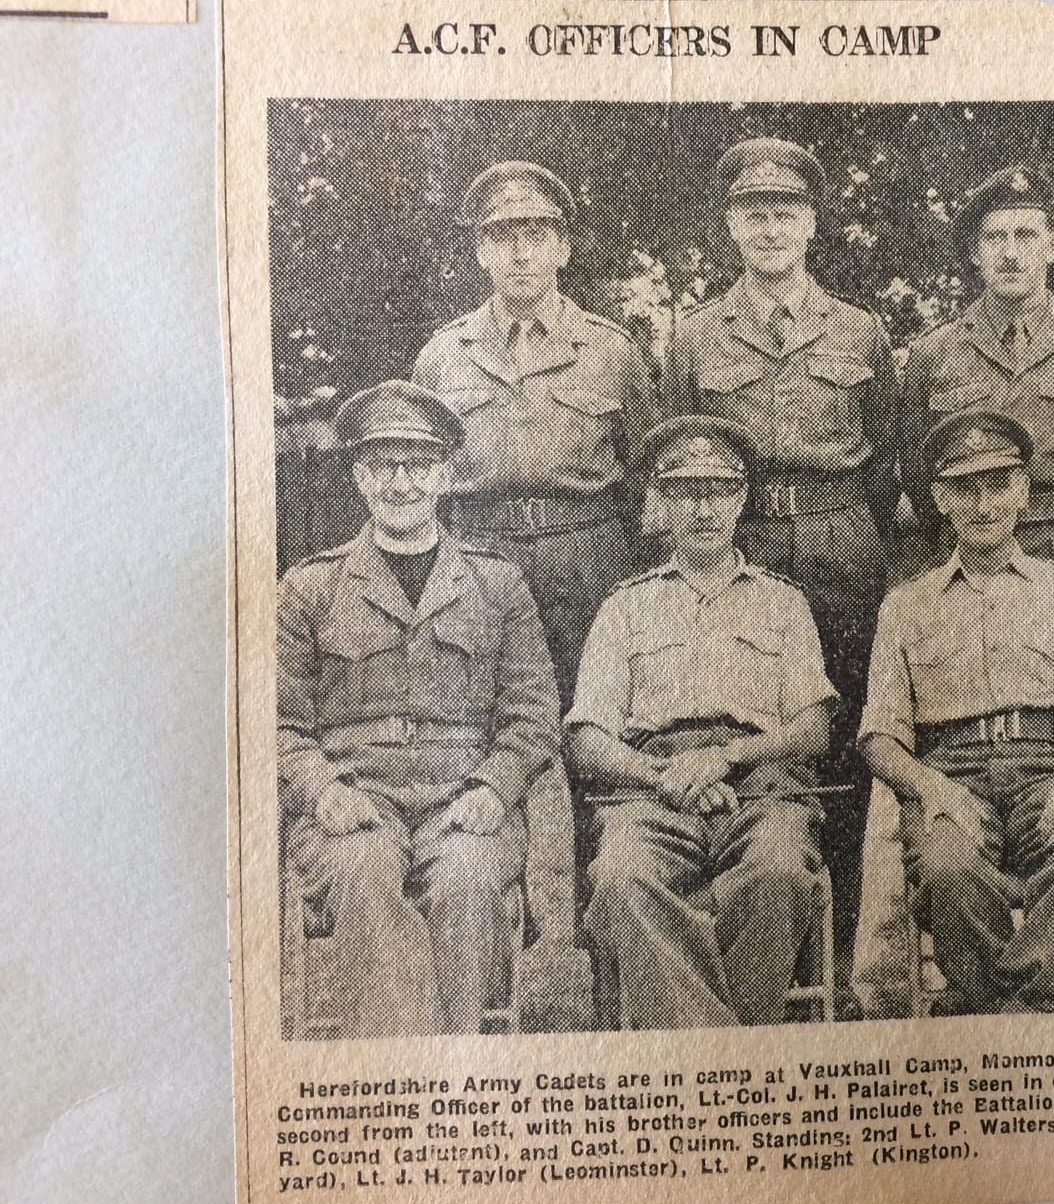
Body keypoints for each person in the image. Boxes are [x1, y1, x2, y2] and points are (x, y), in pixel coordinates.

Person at [662, 137, 899, 1011]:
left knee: (839, 741)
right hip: (744, 536)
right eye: (753, 212)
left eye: (786, 211)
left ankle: (830, 951)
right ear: (731, 226)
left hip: (841, 544)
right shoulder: (693, 338)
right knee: (744, 719)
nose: (770, 227)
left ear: (811, 223)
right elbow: (684, 455)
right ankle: (740, 934)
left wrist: (845, 529)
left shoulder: (860, 330)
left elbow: (887, 464)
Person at [277, 381, 559, 1037]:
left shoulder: (497, 584)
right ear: (358, 476)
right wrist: (322, 791)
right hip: (355, 797)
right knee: (362, 872)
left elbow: (533, 713)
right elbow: (278, 722)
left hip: (463, 796)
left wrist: (496, 787)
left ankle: (449, 1063)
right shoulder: (310, 588)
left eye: (418, 464)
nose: (400, 482)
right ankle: (411, 1066)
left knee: (467, 879)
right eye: (382, 465)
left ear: (445, 474)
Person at [860, 408, 1054, 1015]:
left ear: (1024, 489)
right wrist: (930, 786)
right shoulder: (906, 604)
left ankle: (1042, 1009)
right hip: (952, 770)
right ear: (938, 498)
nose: (983, 504)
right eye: (963, 488)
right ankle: (983, 1009)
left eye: (998, 484)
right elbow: (879, 736)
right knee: (942, 860)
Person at [567, 415, 837, 1029]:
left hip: (761, 786)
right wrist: (663, 775)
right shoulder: (624, 607)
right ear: (657, 501)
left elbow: (815, 727)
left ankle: (691, 1035)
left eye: (717, 489)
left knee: (777, 867)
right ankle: (726, 1043)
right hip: (649, 790)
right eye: (683, 491)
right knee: (617, 876)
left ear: (741, 498)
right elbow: (586, 738)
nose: (702, 508)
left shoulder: (783, 601)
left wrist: (725, 760)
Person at [412, 161, 659, 708]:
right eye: (502, 237)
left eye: (536, 235)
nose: (520, 254)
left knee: (597, 710)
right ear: (480, 252)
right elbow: (422, 481)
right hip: (479, 558)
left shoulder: (610, 351)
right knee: (482, 713)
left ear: (563, 249)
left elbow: (649, 473)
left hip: (588, 556)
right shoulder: (443, 357)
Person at [898, 165, 1054, 600]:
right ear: (975, 252)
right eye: (995, 238)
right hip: (967, 551)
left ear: (1052, 247)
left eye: (1025, 236)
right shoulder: (932, 353)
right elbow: (918, 472)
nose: (1010, 253)